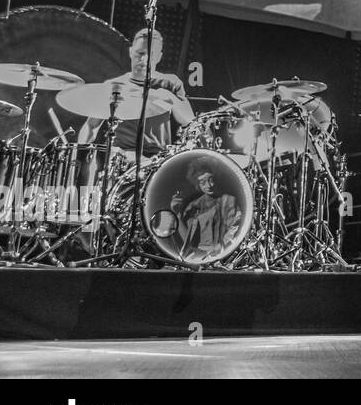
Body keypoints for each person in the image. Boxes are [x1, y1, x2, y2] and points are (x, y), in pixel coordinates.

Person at [84, 28, 196, 158]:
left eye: (150, 55)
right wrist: (78, 158)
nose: (143, 59)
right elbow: (91, 126)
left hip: (157, 160)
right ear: (131, 52)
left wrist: (167, 98)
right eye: (140, 53)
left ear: (159, 57)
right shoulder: (114, 85)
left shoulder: (170, 83)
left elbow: (190, 122)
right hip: (120, 158)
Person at [171, 161, 242, 261]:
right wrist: (177, 214)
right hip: (196, 256)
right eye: (203, 182)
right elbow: (187, 240)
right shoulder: (192, 206)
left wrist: (220, 247)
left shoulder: (229, 201)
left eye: (211, 180)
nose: (209, 185)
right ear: (197, 184)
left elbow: (235, 228)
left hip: (221, 256)